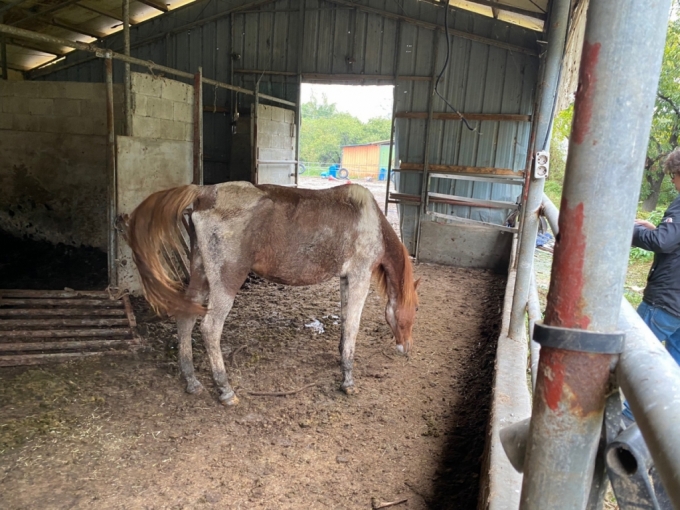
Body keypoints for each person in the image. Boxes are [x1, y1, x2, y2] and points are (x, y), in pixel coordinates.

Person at [623, 148, 680, 422]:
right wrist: (653, 229)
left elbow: (663, 242)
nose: (672, 182)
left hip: (665, 302)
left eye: (673, 175)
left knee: (631, 355)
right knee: (674, 367)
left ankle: (625, 422)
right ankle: (660, 431)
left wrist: (631, 230)